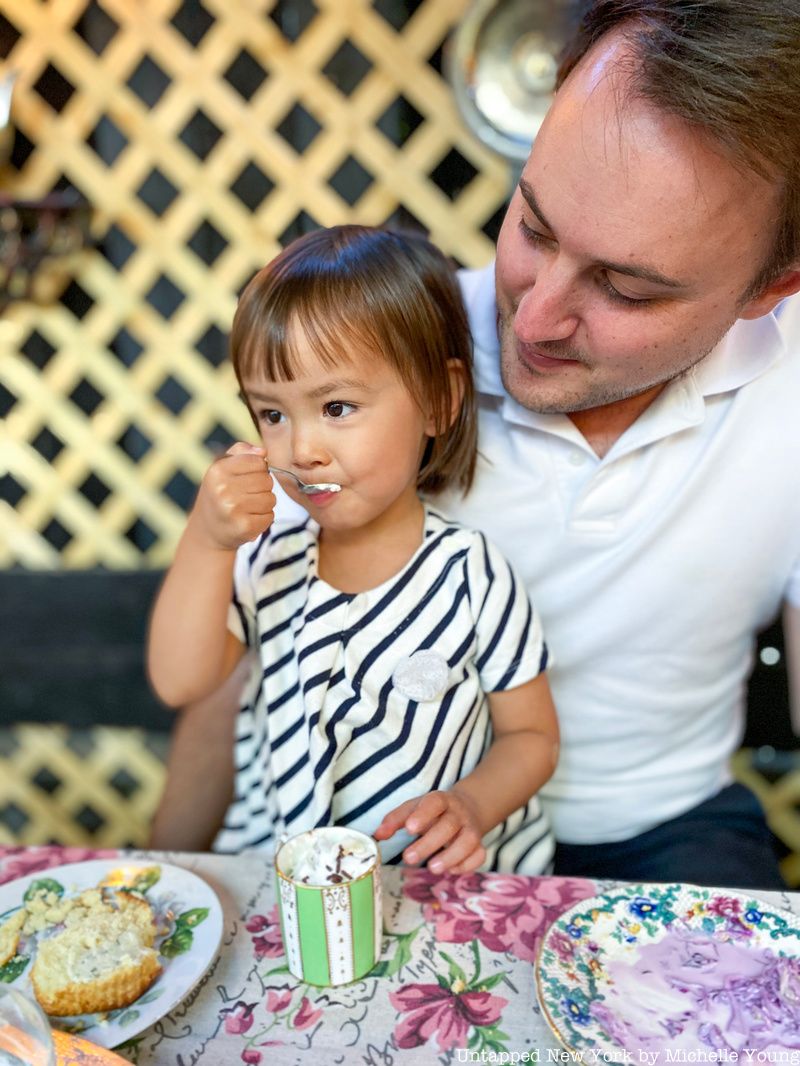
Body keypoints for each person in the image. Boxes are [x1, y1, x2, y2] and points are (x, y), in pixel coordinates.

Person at [151, 0, 800, 890]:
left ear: (771, 288)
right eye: (531, 226)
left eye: (626, 289)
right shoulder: (374, 370)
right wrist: (159, 879)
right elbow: (243, 666)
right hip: (380, 832)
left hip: (666, 828)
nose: (530, 316)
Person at [147, 225, 559, 875]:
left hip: (433, 888)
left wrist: (472, 804)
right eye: (272, 415)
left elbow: (532, 737)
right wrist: (206, 541)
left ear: (439, 400)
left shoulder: (471, 575)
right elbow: (179, 681)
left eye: (336, 407)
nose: (301, 447)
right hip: (285, 884)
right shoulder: (268, 559)